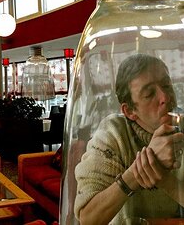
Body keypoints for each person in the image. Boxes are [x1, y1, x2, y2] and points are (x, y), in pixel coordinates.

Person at [74, 54, 184, 224]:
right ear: (130, 111)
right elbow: (88, 218)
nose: (165, 97)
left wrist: (162, 177)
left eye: (166, 85)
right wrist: (135, 173)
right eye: (149, 93)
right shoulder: (113, 135)